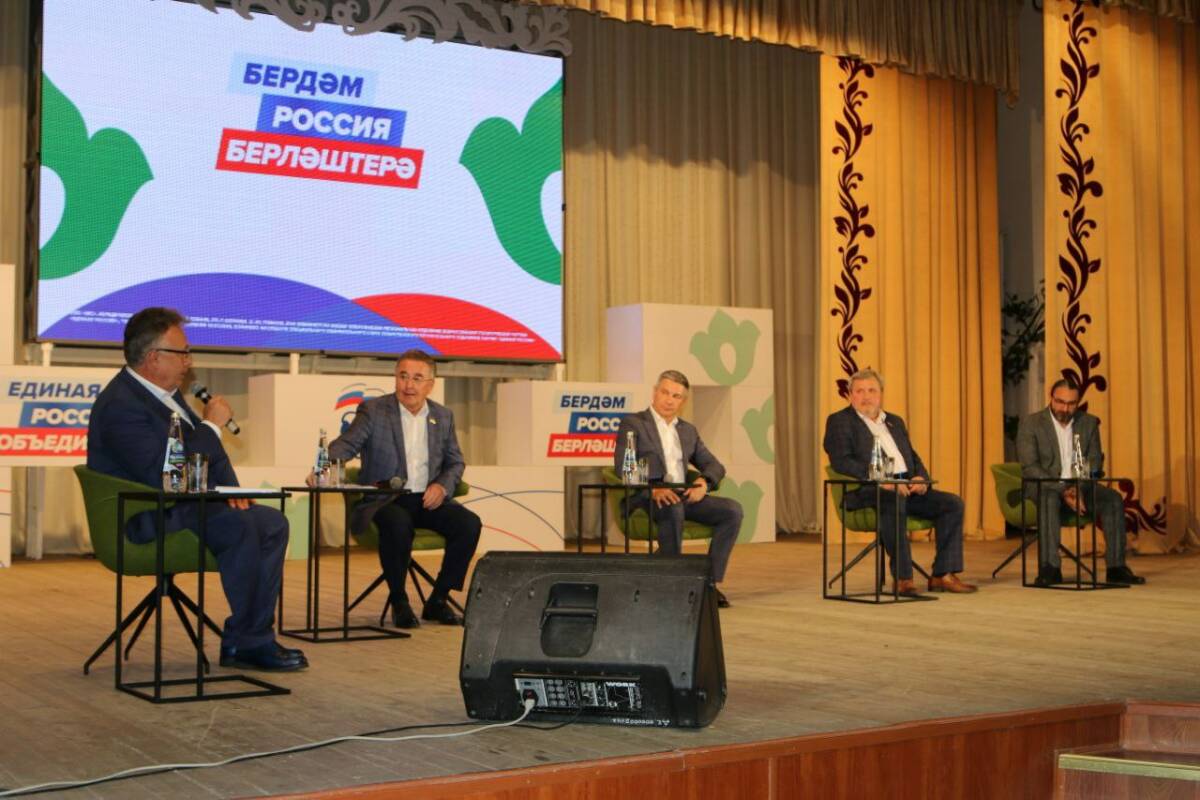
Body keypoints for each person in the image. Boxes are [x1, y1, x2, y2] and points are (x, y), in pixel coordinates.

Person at [87, 307, 306, 671]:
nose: (189, 362)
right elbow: (163, 474)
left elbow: (209, 457)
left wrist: (234, 493)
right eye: (183, 353)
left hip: (185, 505)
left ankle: (246, 639)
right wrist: (211, 427)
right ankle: (251, 642)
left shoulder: (166, 395)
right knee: (241, 526)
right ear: (154, 357)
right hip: (146, 515)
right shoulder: (120, 405)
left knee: (271, 523)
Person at [327, 349, 480, 627]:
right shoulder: (374, 411)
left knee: (469, 524)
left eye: (417, 378)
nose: (408, 385)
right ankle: (399, 601)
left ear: (430, 384)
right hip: (386, 500)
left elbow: (455, 462)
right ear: (395, 378)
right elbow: (344, 447)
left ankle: (438, 599)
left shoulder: (443, 416)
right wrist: (326, 464)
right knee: (397, 523)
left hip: (428, 499)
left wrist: (442, 486)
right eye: (403, 376)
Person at [823, 369, 976, 595]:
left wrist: (920, 478)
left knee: (952, 504)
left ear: (881, 394)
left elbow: (912, 456)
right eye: (860, 391)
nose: (866, 396)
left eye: (872, 390)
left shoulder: (894, 421)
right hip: (868, 490)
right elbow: (842, 461)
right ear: (850, 395)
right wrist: (882, 478)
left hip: (906, 486)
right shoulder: (840, 421)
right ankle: (903, 578)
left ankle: (943, 575)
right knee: (892, 498)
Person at [613, 370, 743, 607]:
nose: (669, 400)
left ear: (683, 401)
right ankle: (672, 583)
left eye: (676, 396)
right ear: (655, 392)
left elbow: (714, 465)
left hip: (682, 494)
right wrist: (653, 489)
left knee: (732, 511)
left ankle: (708, 584)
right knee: (672, 508)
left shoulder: (687, 430)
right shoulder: (634, 423)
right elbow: (626, 466)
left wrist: (703, 483)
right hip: (647, 495)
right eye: (665, 393)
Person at [1016, 378, 1144, 587]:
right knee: (1049, 498)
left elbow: (1094, 462)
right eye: (1060, 402)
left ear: (1078, 402)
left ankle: (1116, 568)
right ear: (1051, 397)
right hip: (1044, 486)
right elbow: (1030, 466)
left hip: (1079, 486)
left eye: (1071, 404)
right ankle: (1050, 568)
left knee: (1112, 499)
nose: (1065, 408)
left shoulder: (1088, 423)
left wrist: (1077, 488)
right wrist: (1063, 489)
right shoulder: (1031, 423)